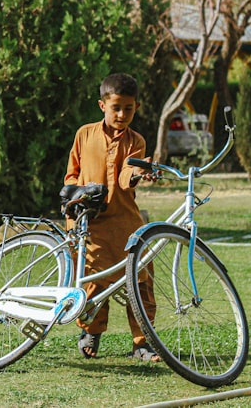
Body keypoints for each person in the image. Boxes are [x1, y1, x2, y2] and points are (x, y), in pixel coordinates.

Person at [64, 72, 160, 362]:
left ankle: (142, 342)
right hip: (89, 222)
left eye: (128, 109)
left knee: (139, 281)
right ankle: (91, 331)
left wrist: (139, 172)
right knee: (94, 281)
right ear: (102, 105)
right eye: (116, 107)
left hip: (125, 221)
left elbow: (124, 177)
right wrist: (74, 199)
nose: (121, 114)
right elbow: (71, 172)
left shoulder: (136, 141)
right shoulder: (85, 134)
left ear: (137, 108)